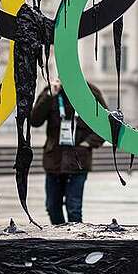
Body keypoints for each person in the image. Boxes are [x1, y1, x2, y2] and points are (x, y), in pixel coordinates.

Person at [29, 78, 106, 224]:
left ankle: (75, 244)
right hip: (54, 160)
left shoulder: (90, 92)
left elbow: (105, 125)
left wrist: (87, 144)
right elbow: (35, 120)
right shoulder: (51, 92)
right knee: (52, 206)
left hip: (78, 161)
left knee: (74, 208)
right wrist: (49, 95)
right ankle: (61, 240)